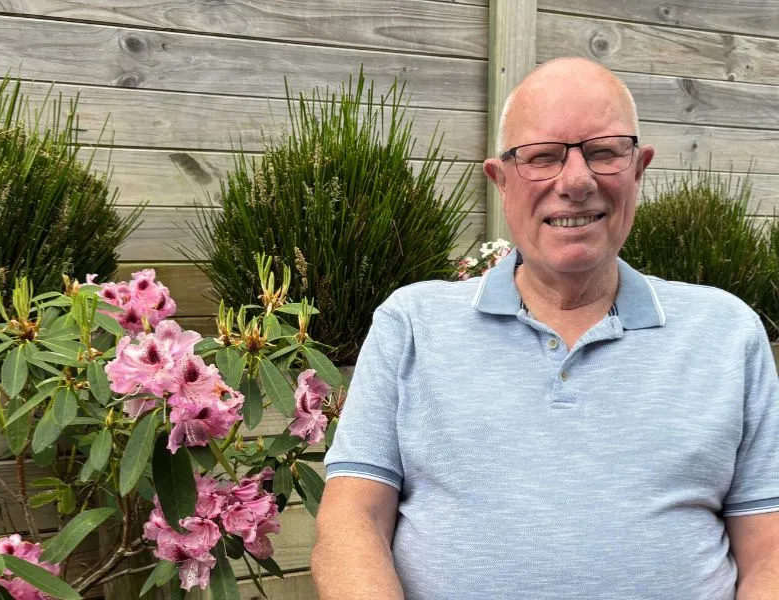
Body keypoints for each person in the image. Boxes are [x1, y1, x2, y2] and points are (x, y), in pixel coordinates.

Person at [311, 57, 779, 599]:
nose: (576, 181)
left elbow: (768, 548)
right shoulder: (412, 324)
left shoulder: (726, 333)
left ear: (638, 169)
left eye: (603, 152)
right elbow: (352, 521)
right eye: (543, 157)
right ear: (501, 180)